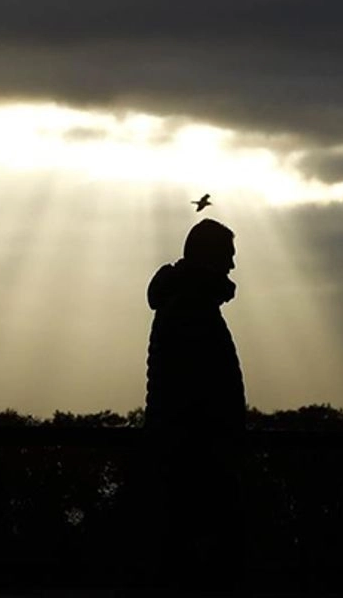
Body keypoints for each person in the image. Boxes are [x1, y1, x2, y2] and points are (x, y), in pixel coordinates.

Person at [141, 218, 246, 587]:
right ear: (209, 257)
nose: (232, 266)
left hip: (184, 459)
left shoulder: (181, 302)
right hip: (197, 464)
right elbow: (200, 391)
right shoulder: (192, 308)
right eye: (228, 256)